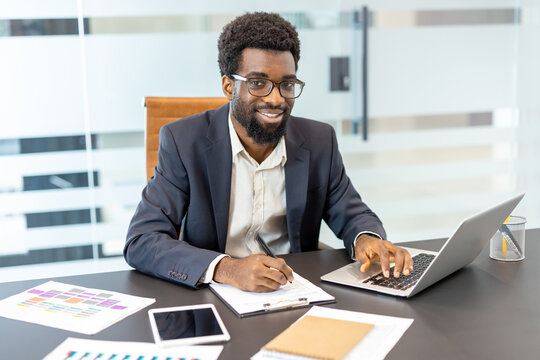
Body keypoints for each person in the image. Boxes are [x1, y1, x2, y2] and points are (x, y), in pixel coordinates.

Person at [124, 12, 413, 293]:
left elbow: (351, 213)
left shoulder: (319, 140)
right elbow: (142, 240)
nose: (276, 99)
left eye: (287, 84)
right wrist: (227, 269)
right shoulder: (184, 142)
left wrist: (366, 238)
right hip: (218, 294)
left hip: (296, 291)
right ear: (228, 86)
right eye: (258, 83)